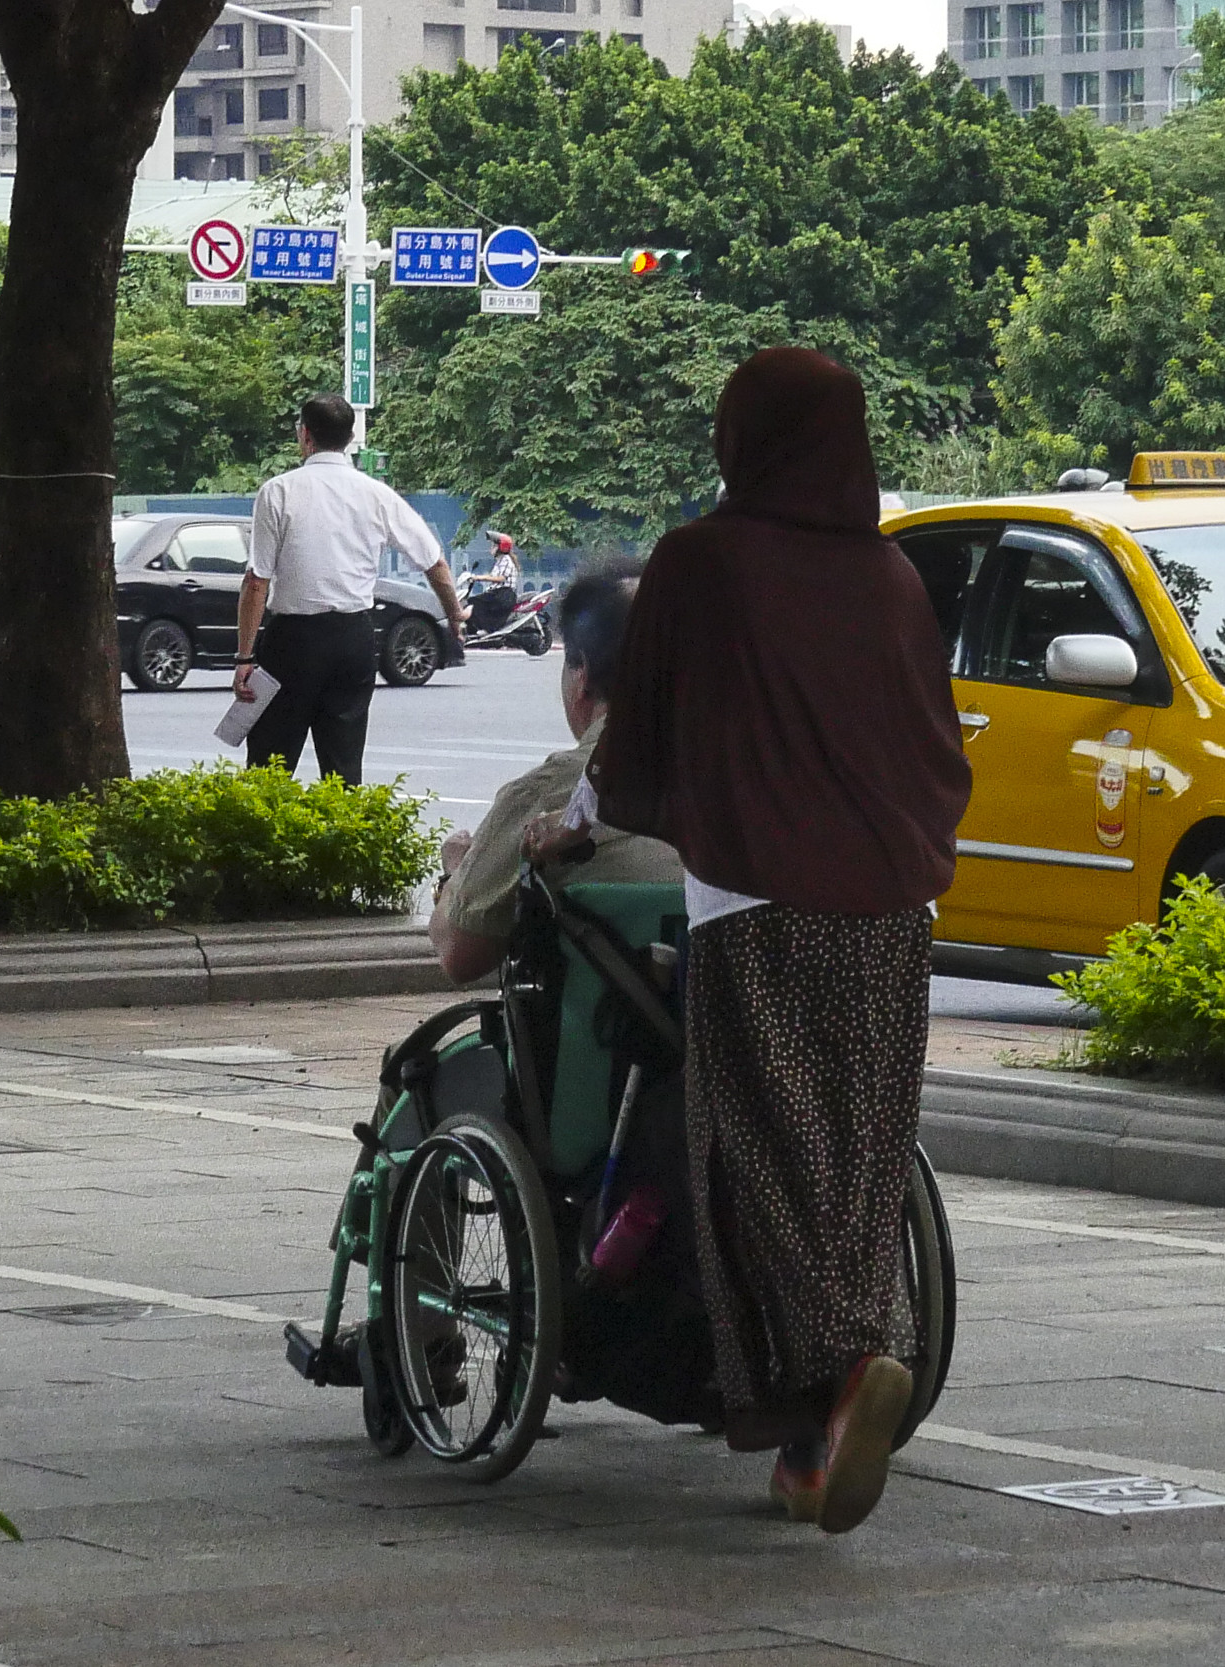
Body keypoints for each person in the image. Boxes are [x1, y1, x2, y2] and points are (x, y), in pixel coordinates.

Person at [581, 348, 971, 1535]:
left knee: (755, 1162)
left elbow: (637, 737)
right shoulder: (895, 577)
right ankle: (827, 1427)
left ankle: (842, 1382)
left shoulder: (702, 563)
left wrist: (575, 824)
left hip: (751, 907)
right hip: (893, 917)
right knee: (856, 1163)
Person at [428, 566, 678, 983]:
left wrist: (456, 876)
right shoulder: (756, 781)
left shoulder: (546, 795)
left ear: (581, 676)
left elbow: (462, 955)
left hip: (600, 1042)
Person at [233, 394, 471, 784]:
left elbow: (256, 581)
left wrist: (244, 658)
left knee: (269, 764)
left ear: (304, 435)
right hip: (353, 639)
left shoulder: (278, 491)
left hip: (291, 640)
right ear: (350, 437)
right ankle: (342, 841)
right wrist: (456, 616)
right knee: (342, 767)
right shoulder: (376, 494)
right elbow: (435, 563)